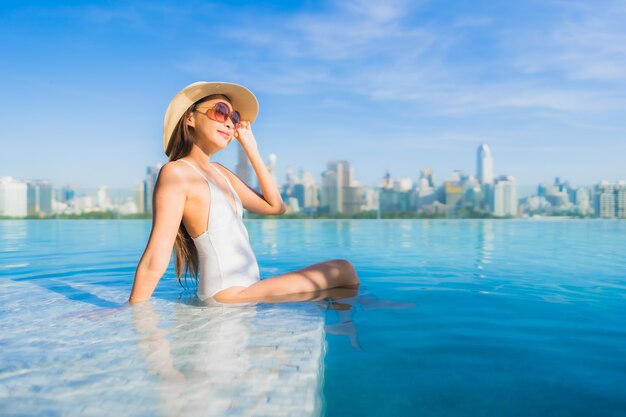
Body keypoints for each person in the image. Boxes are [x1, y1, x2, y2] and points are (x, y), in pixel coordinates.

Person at [129, 81, 360, 304]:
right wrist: (133, 312)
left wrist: (251, 149)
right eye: (220, 112)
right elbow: (155, 257)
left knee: (342, 285)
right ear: (190, 118)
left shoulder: (221, 173)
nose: (230, 123)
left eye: (234, 117)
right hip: (226, 294)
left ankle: (347, 327)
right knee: (343, 270)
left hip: (246, 289)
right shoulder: (176, 172)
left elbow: (276, 207)